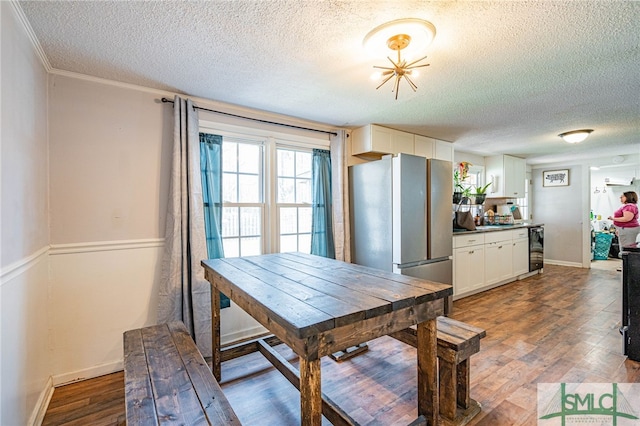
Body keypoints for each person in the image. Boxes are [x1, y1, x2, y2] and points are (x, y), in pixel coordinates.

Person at [608, 191, 640, 258]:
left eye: (622, 196)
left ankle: (627, 266)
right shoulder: (629, 206)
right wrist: (618, 229)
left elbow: (627, 218)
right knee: (626, 248)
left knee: (626, 249)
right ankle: (625, 265)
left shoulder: (629, 206)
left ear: (628, 197)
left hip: (628, 230)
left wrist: (613, 219)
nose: (620, 198)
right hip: (626, 229)